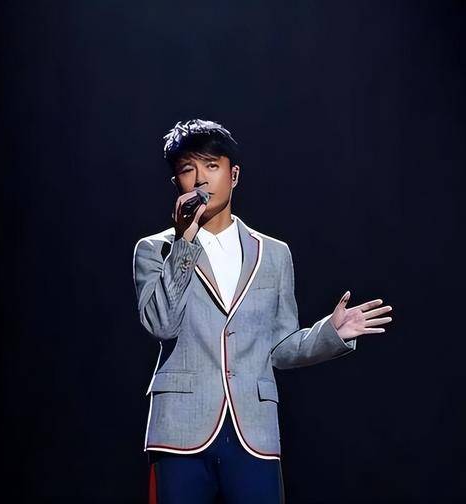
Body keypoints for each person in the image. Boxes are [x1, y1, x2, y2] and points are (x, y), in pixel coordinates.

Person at [132, 118, 393, 503]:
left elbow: (280, 348)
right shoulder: (156, 249)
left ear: (234, 175)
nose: (201, 179)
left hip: (254, 432)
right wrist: (185, 241)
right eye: (188, 169)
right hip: (179, 430)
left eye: (212, 165)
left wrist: (331, 333)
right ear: (177, 183)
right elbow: (162, 324)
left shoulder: (274, 253)